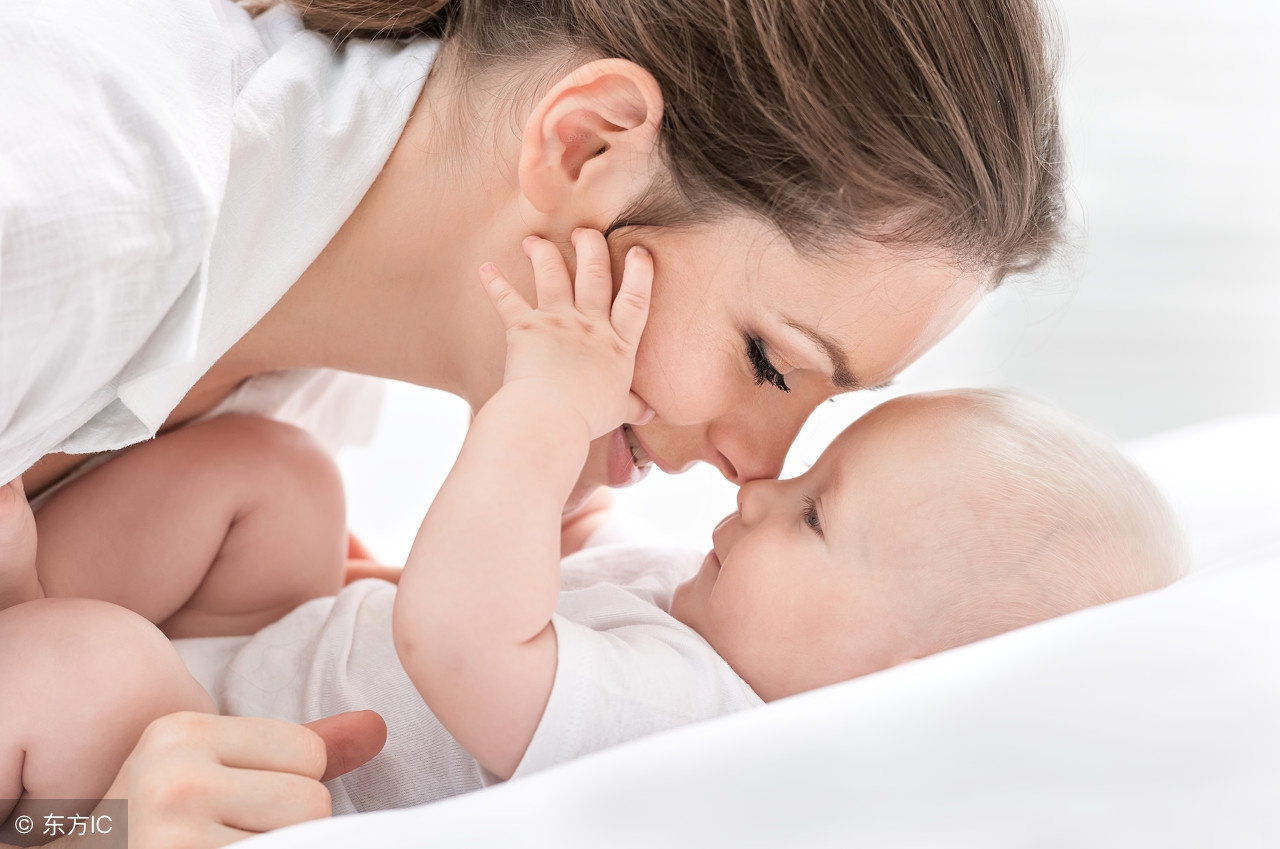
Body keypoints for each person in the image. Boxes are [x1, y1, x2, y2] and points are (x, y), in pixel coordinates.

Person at [0, 0, 1065, 839]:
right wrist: (73, 834)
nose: (756, 470)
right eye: (766, 362)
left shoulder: (317, 348)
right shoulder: (59, 214)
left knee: (279, 484)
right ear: (587, 146)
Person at [0, 237, 1185, 835]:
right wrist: (569, 496)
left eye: (815, 514)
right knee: (280, 475)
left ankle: (29, 655)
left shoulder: (698, 727)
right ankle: (32, 605)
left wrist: (538, 410)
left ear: (894, 682)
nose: (756, 494)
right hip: (276, 654)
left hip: (203, 761)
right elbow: (548, 589)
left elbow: (463, 640)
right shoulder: (711, 621)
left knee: (98, 662)